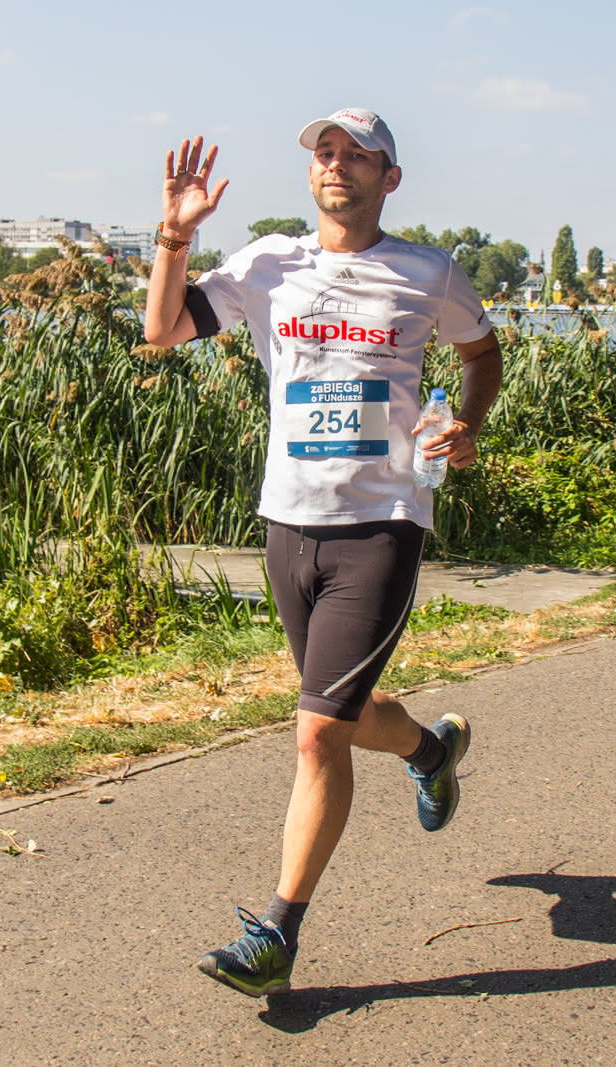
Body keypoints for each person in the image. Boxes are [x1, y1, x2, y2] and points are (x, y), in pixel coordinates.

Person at [142, 108, 503, 997]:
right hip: (288, 522)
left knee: (315, 732)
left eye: (357, 155)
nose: (336, 165)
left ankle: (277, 933)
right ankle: (428, 750)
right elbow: (162, 329)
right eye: (325, 153)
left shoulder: (429, 272)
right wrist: (174, 236)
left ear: (390, 177)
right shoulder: (269, 263)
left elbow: (482, 351)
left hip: (383, 521)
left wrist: (467, 422)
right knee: (338, 712)